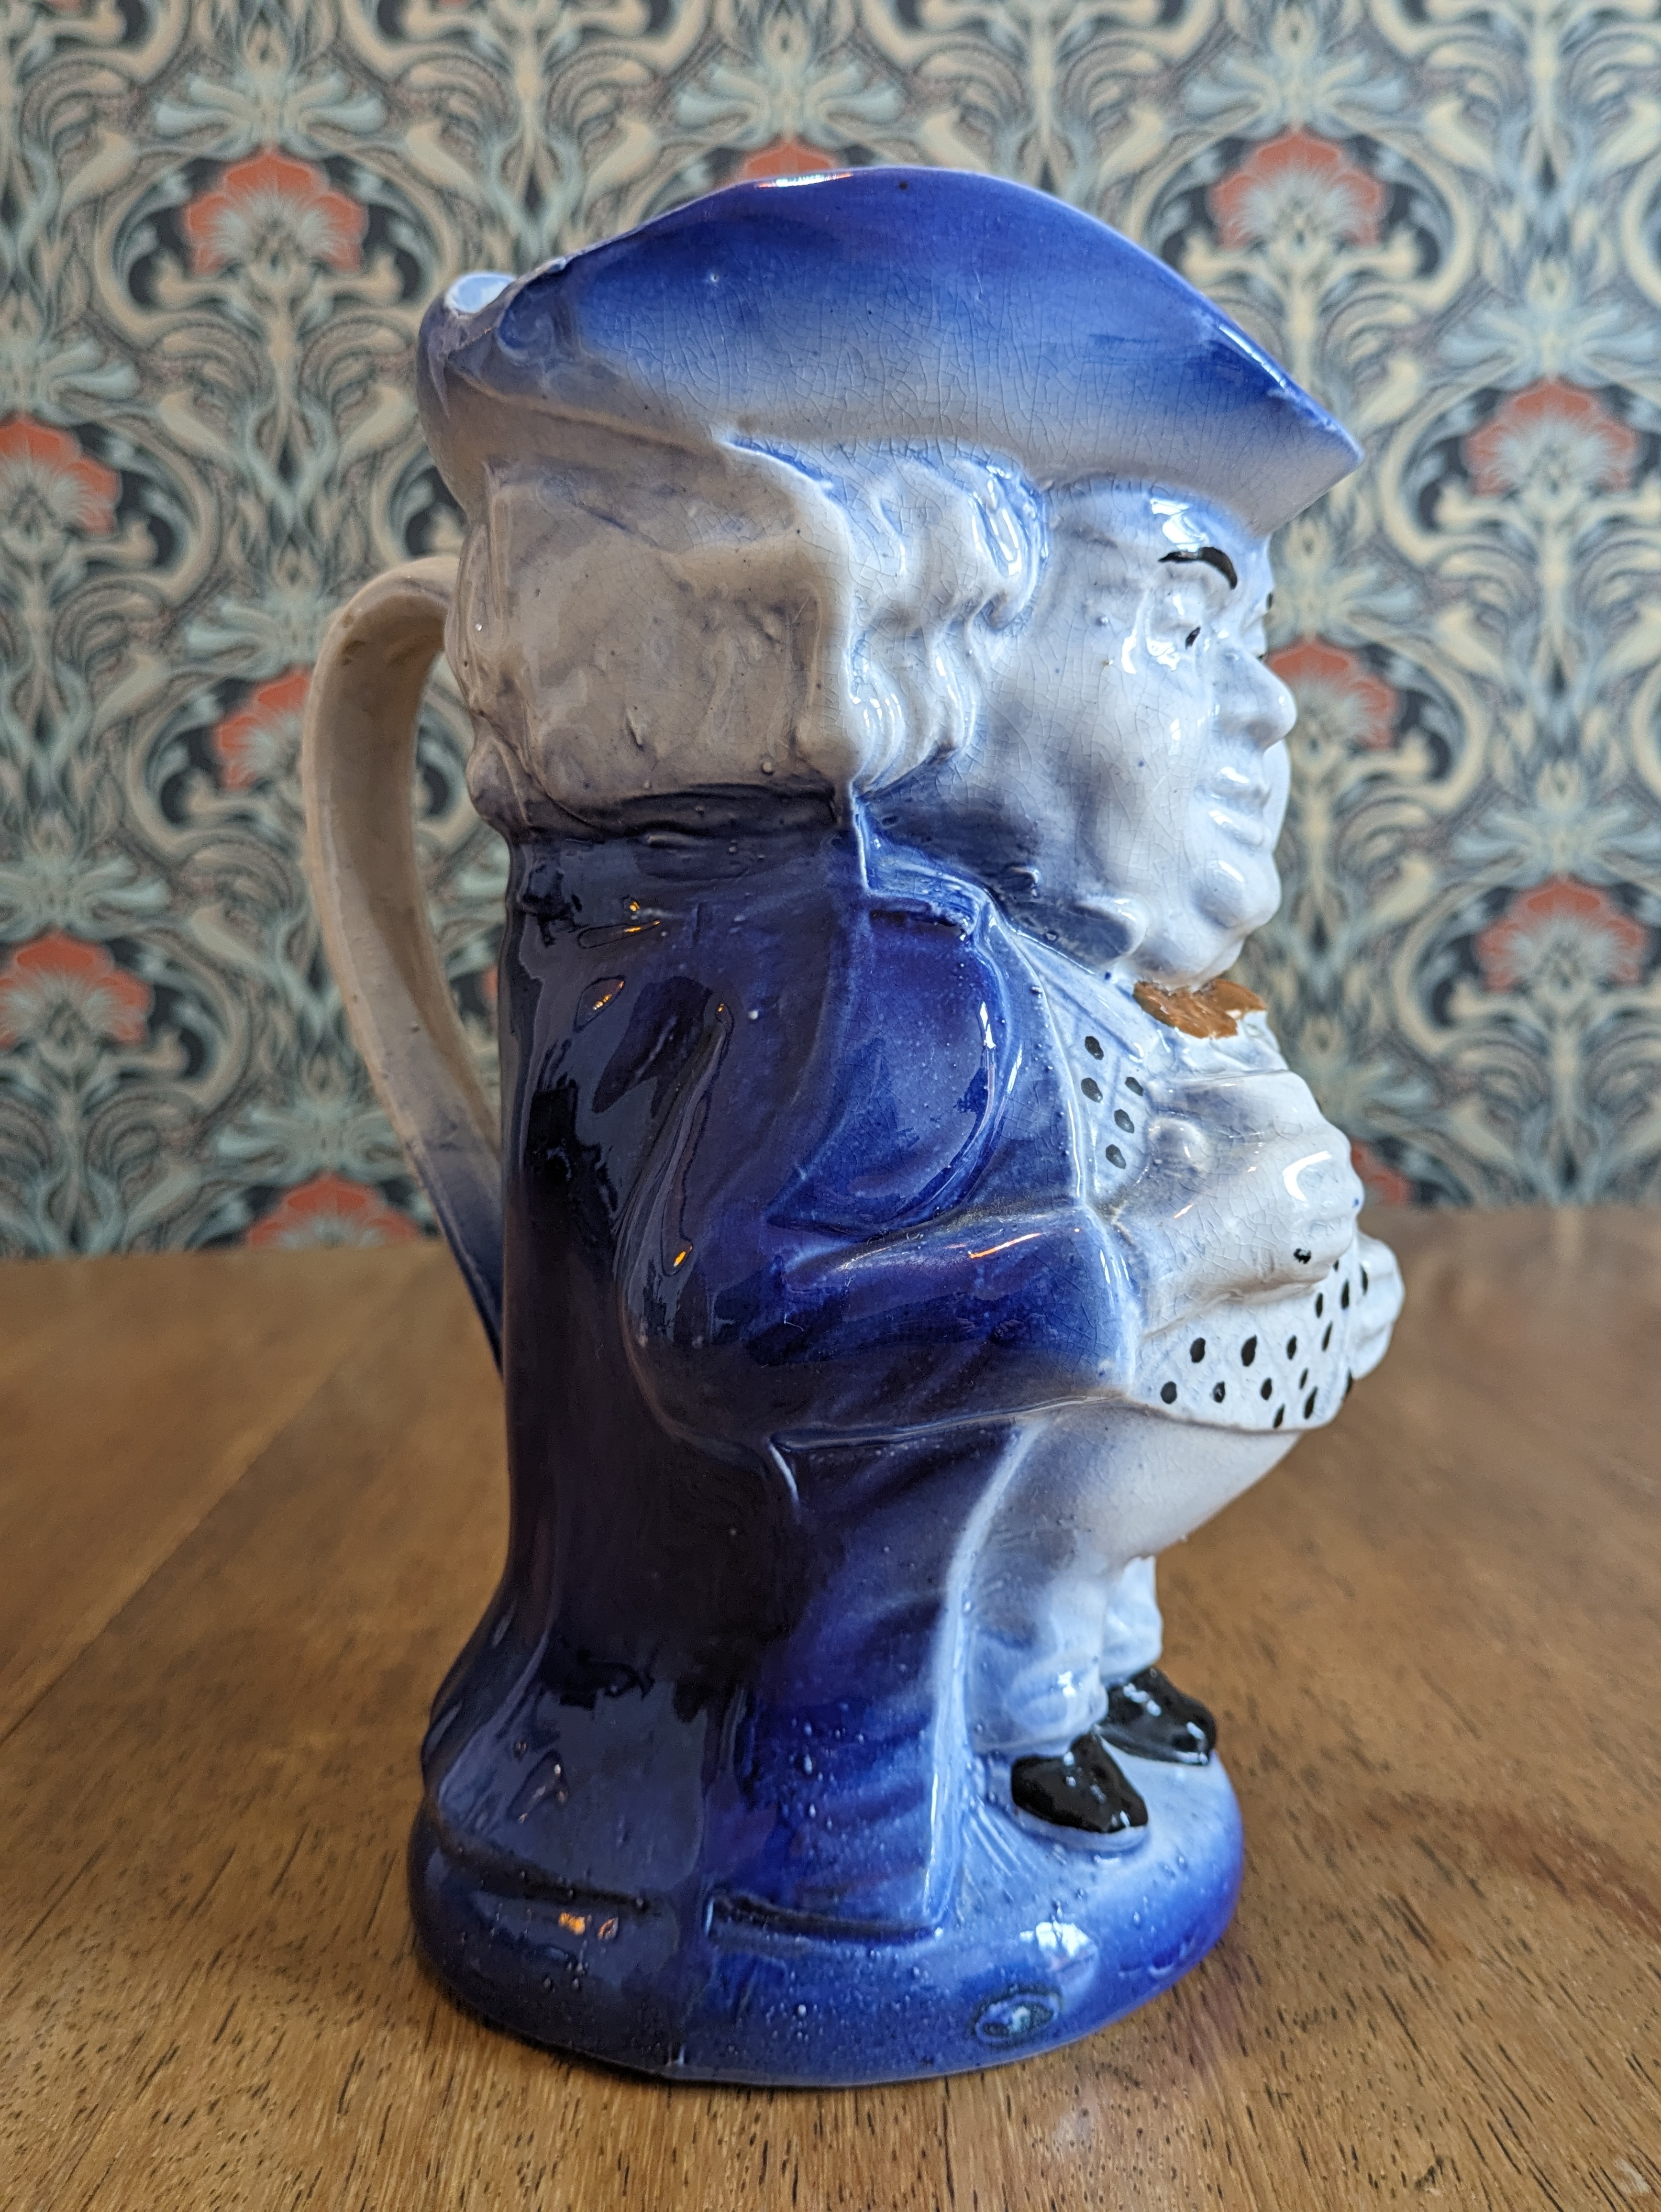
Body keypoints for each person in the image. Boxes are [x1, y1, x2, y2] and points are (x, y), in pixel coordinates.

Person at [413, 169, 1402, 1953]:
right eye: (1187, 624)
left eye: (1255, 635)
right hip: (789, 1827)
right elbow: (735, 1332)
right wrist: (1183, 1249)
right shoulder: (882, 960)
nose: (1267, 707)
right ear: (941, 638)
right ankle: (1008, 1726)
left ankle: (1060, 1683)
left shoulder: (888, 946)